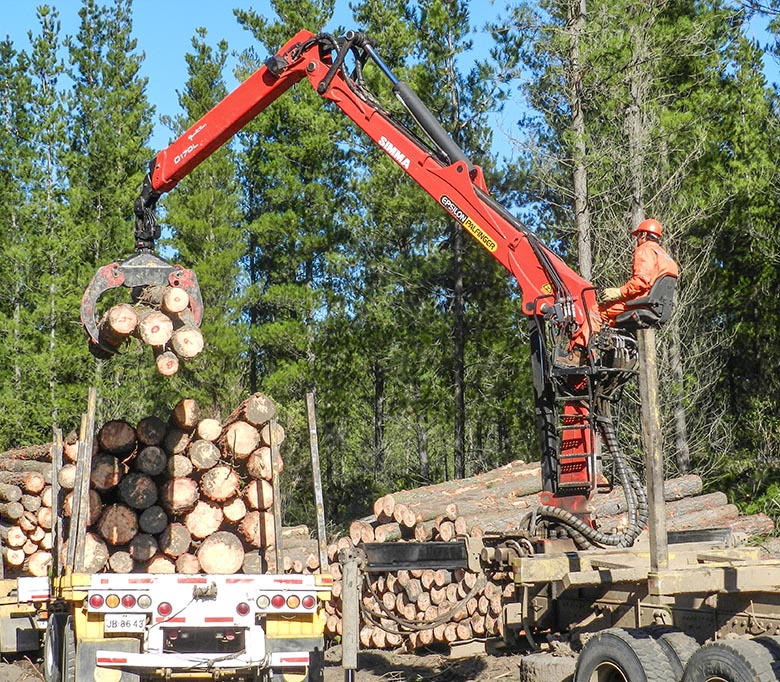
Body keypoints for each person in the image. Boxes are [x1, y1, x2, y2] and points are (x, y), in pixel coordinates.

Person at [599, 218, 679, 326]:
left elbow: (641, 281)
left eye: (638, 235)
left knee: (596, 312)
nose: (637, 239)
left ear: (644, 234)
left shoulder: (645, 249)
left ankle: (582, 343)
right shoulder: (666, 257)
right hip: (657, 307)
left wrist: (619, 292)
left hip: (641, 303)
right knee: (613, 322)